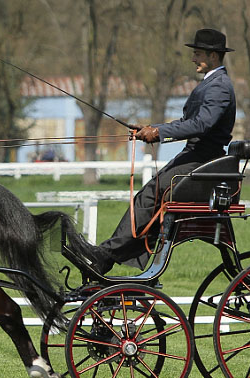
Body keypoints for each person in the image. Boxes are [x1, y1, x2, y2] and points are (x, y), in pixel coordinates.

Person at [86, 28, 237, 273]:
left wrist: (158, 133)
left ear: (213, 56)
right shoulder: (212, 83)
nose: (193, 58)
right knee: (149, 194)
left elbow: (202, 124)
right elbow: (189, 122)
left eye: (197, 53)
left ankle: (107, 255)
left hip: (203, 159)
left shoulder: (219, 86)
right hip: (195, 157)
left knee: (150, 194)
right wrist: (153, 128)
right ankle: (112, 253)